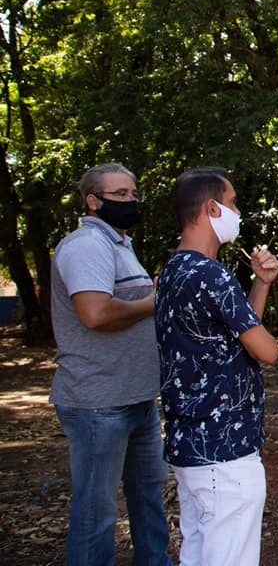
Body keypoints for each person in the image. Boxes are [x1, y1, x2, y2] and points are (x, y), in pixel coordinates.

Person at [155, 167, 278, 566]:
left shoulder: (173, 269)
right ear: (211, 208)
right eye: (232, 204)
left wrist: (260, 284)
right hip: (224, 449)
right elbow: (266, 350)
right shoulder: (212, 275)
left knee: (199, 550)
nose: (237, 212)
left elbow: (233, 336)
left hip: (190, 444)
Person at [50, 163, 172, 566]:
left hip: (136, 397)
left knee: (148, 495)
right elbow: (95, 313)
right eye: (120, 194)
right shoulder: (86, 245)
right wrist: (151, 303)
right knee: (96, 512)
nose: (131, 201)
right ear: (93, 201)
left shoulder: (121, 244)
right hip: (98, 402)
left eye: (133, 193)